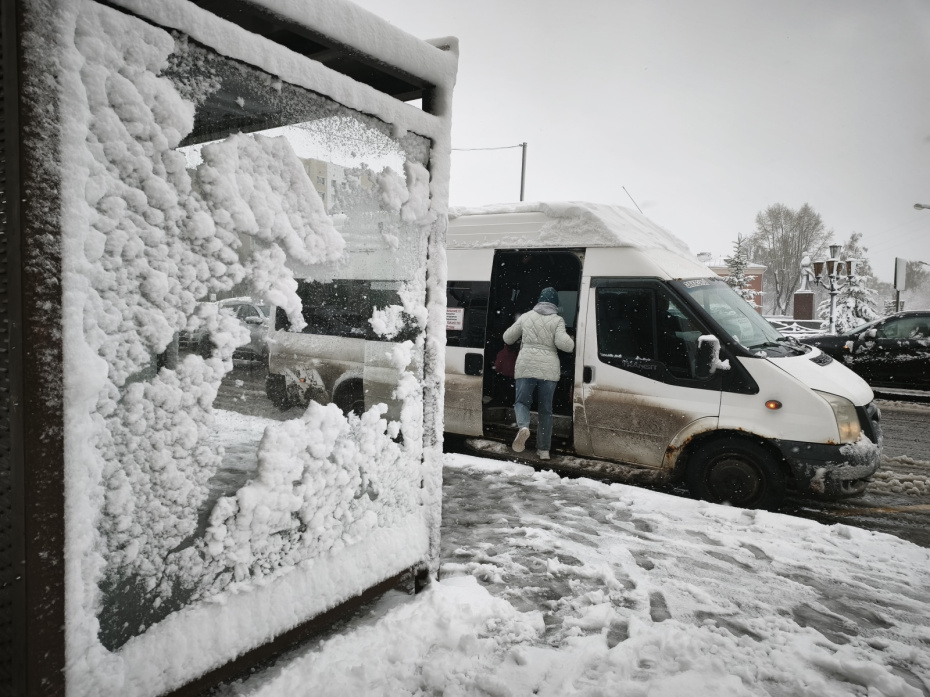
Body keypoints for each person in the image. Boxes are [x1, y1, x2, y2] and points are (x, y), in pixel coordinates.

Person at [502, 287, 574, 460]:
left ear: (539, 300)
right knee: (546, 410)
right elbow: (566, 346)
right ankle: (543, 450)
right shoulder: (557, 320)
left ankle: (524, 427)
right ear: (555, 303)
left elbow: (507, 337)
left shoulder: (526, 316)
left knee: (521, 402)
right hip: (548, 370)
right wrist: (570, 339)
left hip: (526, 366)